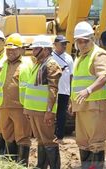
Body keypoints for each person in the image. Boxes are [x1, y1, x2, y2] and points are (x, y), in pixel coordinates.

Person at [71, 21, 106, 169]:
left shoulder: (99, 55)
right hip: (82, 106)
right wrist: (72, 102)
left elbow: (105, 76)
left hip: (96, 105)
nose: (82, 44)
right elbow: (76, 82)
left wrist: (88, 90)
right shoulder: (80, 58)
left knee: (96, 142)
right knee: (83, 142)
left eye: (85, 41)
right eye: (79, 41)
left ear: (92, 38)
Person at [0, 33, 33, 166]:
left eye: (14, 49)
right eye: (8, 50)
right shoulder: (2, 64)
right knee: (7, 135)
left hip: (20, 107)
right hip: (3, 107)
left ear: (21, 50)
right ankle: (11, 164)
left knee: (22, 137)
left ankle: (22, 164)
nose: (11, 52)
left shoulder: (27, 64)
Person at [24, 35, 62, 169]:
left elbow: (53, 90)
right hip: (34, 110)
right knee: (41, 141)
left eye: (36, 49)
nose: (33, 52)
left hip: (43, 111)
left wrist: (49, 111)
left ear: (45, 50)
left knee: (49, 141)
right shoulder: (38, 64)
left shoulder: (50, 64)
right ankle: (41, 165)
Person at [51, 35, 74, 143]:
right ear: (55, 44)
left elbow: (71, 76)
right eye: (62, 43)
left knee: (61, 114)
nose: (64, 46)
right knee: (50, 113)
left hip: (64, 91)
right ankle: (50, 135)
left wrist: (71, 92)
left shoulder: (69, 58)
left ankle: (59, 136)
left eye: (65, 43)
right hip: (52, 91)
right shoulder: (50, 57)